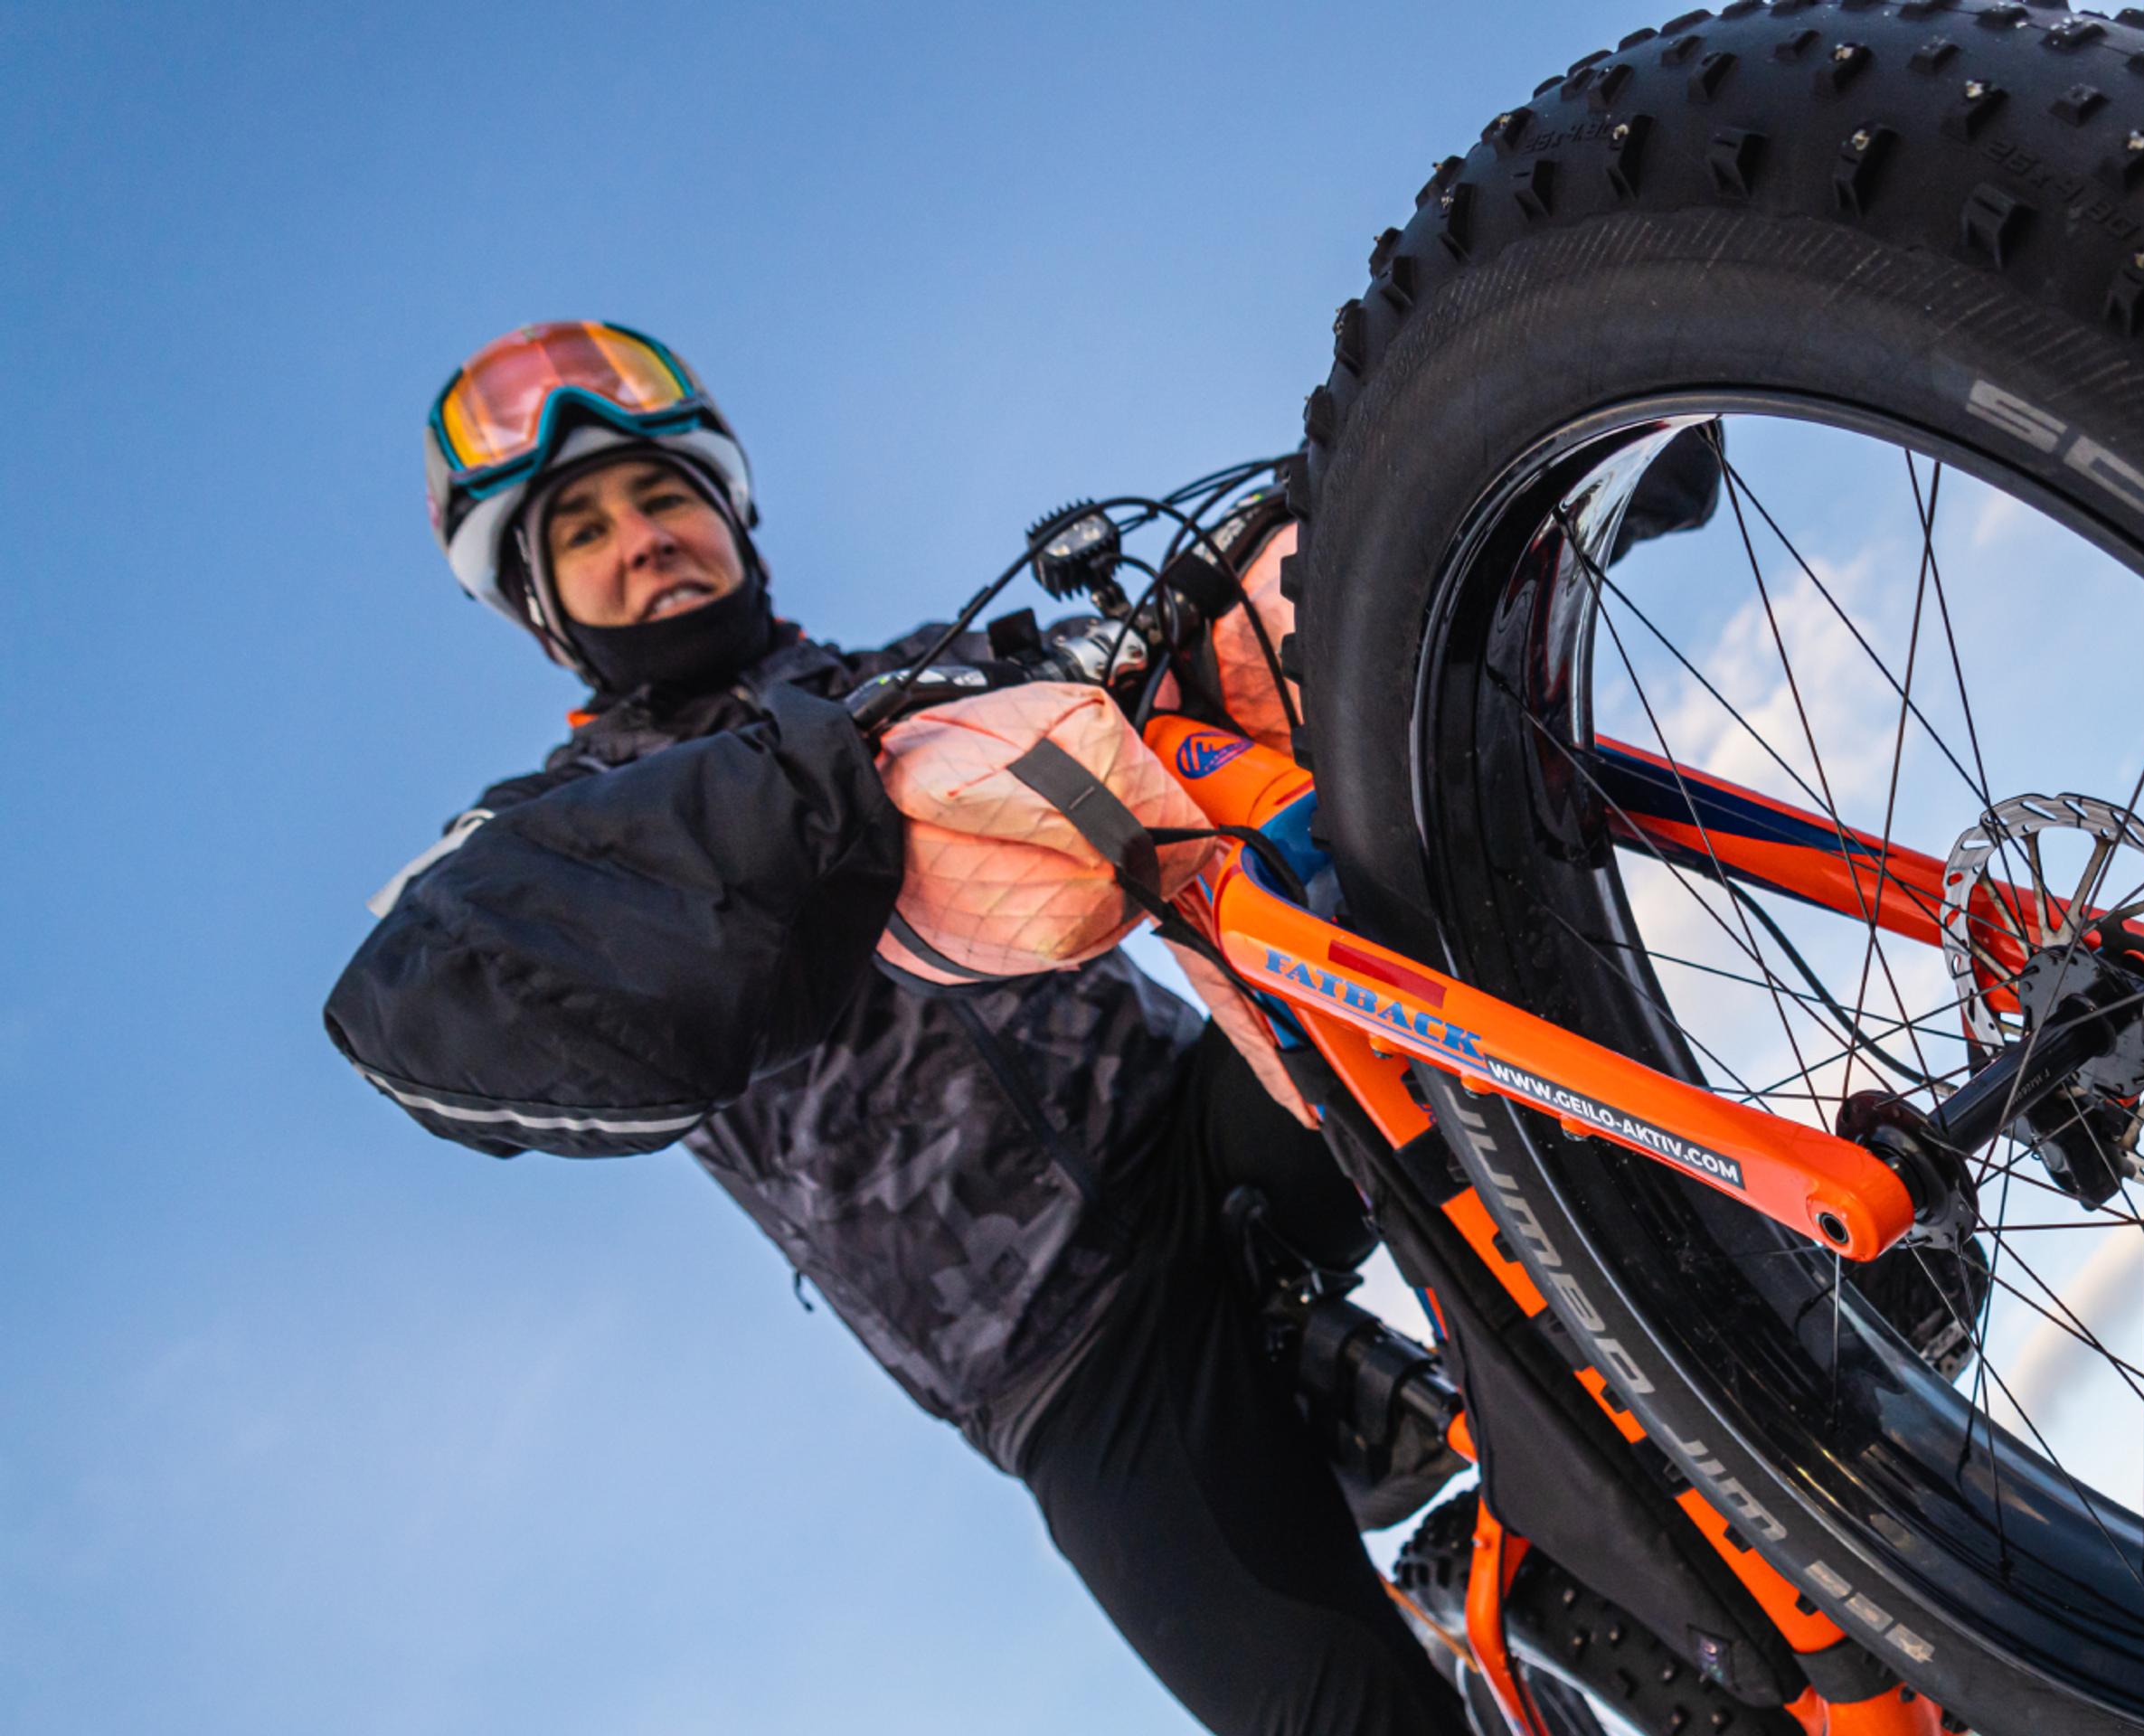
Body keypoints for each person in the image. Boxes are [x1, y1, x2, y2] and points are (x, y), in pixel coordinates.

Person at [324, 320, 1464, 1736]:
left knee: (1448, 1014)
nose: (647, 537)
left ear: (732, 515)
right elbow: (428, 993)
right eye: (589, 529)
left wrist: (1451, 507)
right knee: (1337, 1715)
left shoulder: (932, 666)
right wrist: (791, 802)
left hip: (1197, 1126)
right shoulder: (556, 837)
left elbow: (1198, 679)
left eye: (666, 494)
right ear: (542, 602)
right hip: (1057, 1355)